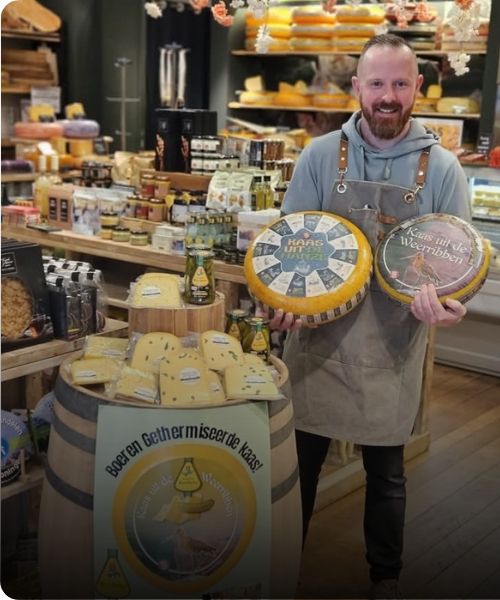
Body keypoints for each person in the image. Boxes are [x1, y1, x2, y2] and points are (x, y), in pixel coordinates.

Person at [269, 34, 471, 600]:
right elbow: (290, 242)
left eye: (400, 83)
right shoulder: (318, 155)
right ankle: (282, 569)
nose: (388, 95)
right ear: (357, 86)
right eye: (377, 83)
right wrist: (284, 299)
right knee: (299, 466)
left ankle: (386, 577)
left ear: (418, 88)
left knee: (387, 474)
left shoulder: (444, 168)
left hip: (392, 340)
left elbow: (459, 262)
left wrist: (449, 306)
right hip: (318, 338)